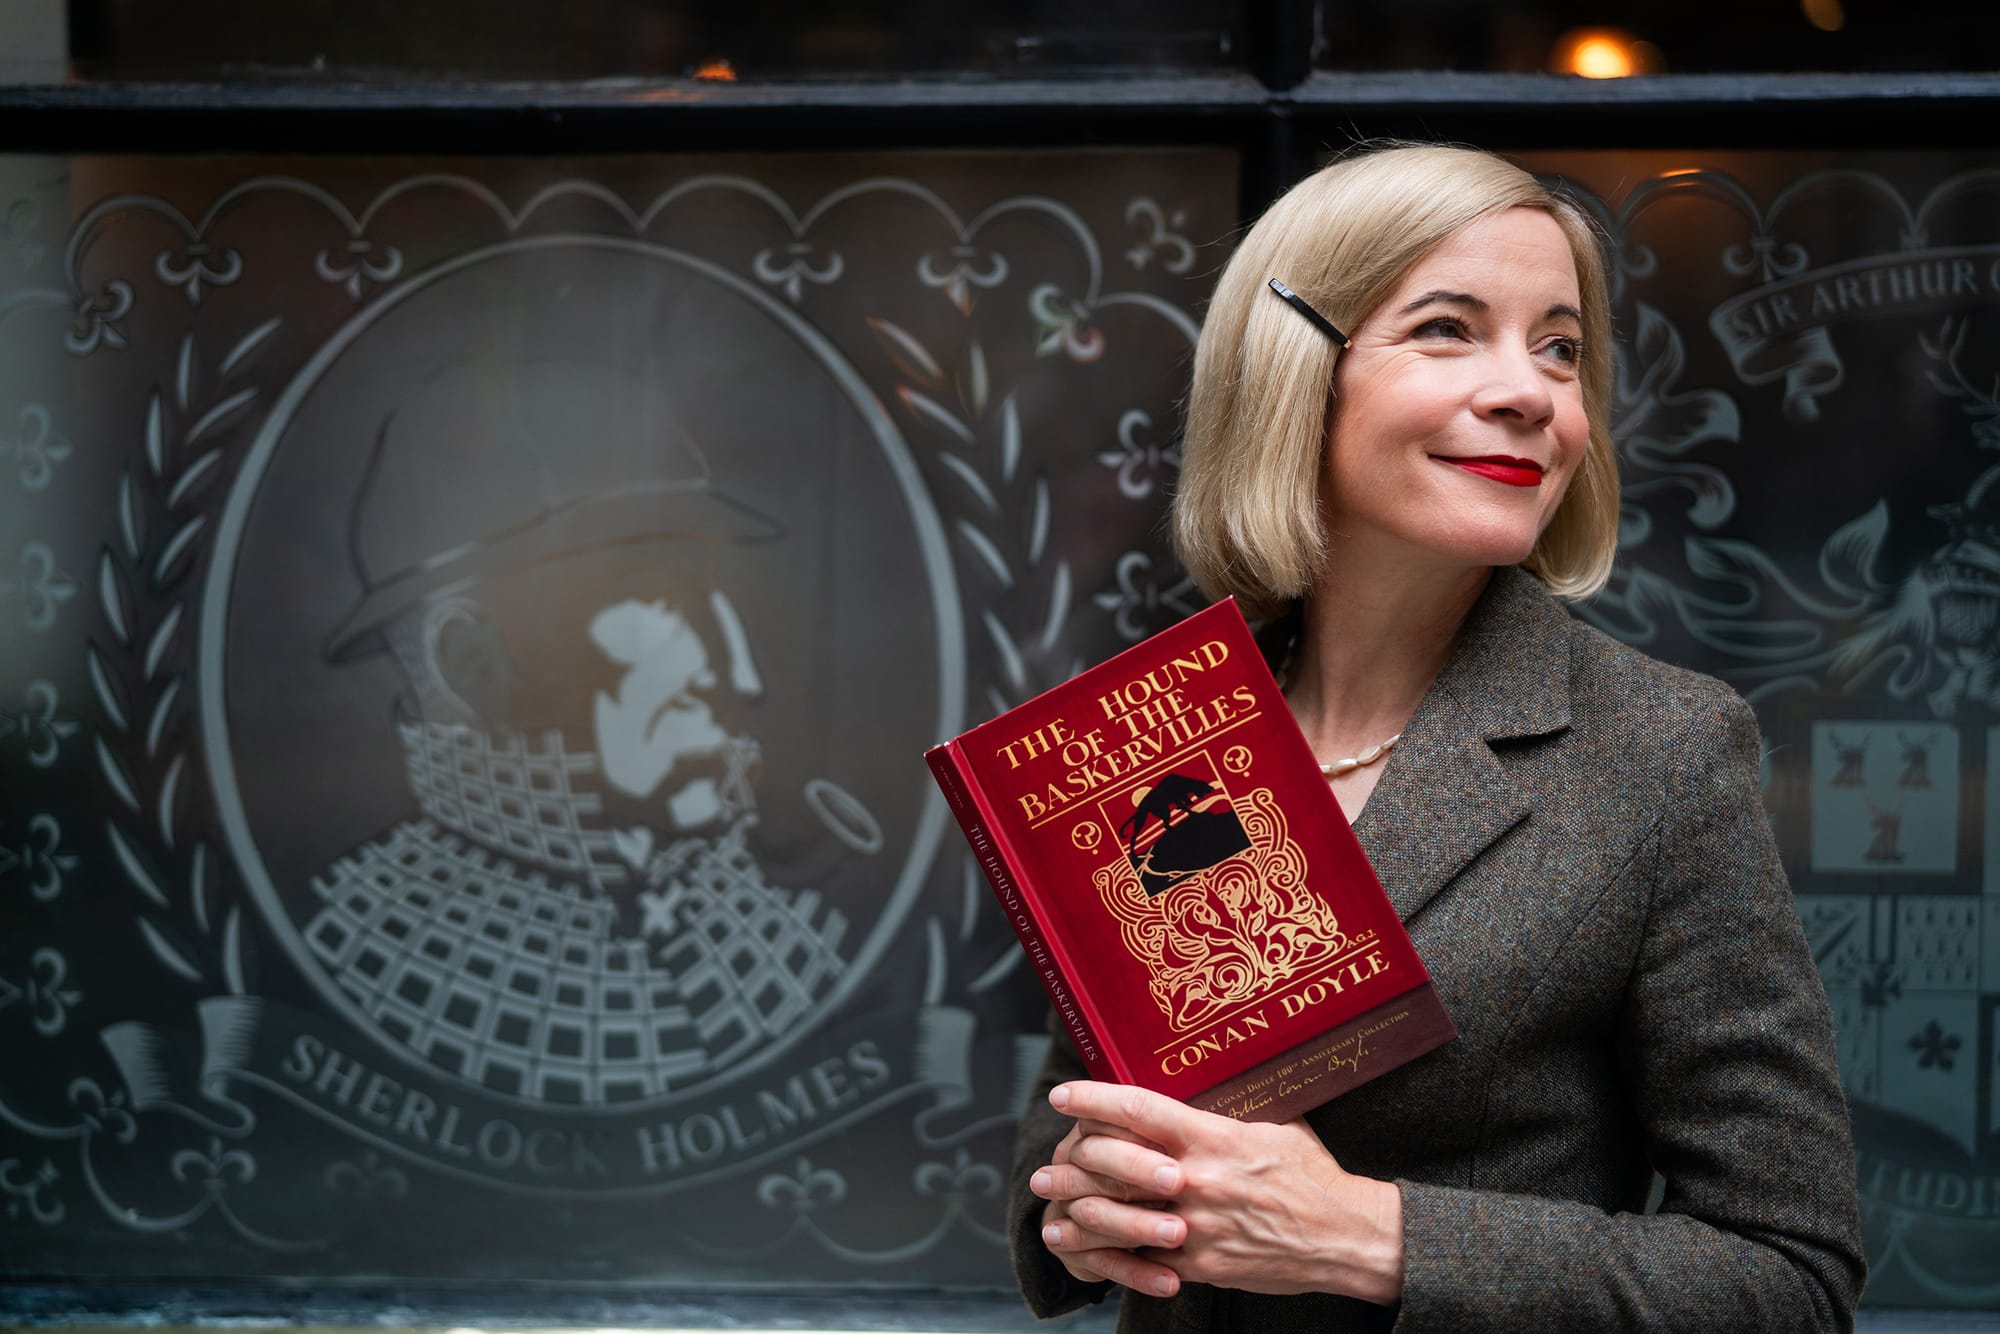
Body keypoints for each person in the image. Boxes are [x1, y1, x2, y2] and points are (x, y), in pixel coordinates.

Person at [1007, 143, 1865, 1332]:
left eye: (1559, 347)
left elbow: (1789, 1275)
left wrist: (1367, 1235)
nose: (1531, 392)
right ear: (1294, 371)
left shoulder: (1661, 748)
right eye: (1449, 328)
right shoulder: (1156, 731)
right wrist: (1080, 1206)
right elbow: (1083, 1134)